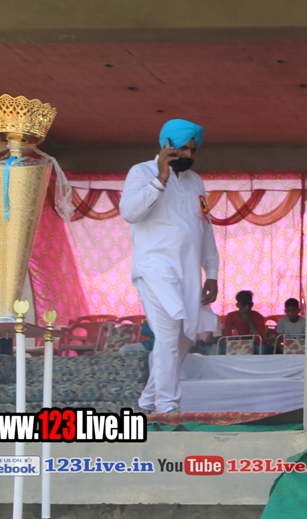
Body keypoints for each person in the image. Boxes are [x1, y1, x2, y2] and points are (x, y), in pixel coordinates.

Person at [120, 119, 220, 414]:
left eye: (193, 149)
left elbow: (205, 228)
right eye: (183, 148)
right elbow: (130, 212)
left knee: (184, 339)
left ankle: (147, 402)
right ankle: (167, 407)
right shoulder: (142, 172)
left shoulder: (195, 181)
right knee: (167, 337)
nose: (188, 154)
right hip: (155, 270)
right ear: (166, 146)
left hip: (187, 273)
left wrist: (212, 273)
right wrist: (161, 178)